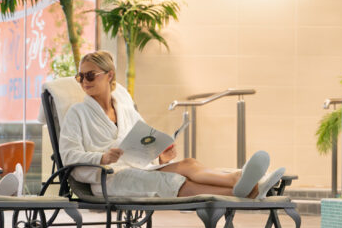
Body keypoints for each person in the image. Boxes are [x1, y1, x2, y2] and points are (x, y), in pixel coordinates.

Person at [58, 51, 282, 199]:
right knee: (172, 180)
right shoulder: (77, 114)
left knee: (189, 164)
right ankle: (251, 190)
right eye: (81, 77)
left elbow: (143, 143)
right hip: (109, 179)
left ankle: (238, 178)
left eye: (90, 75)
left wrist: (159, 156)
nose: (84, 82)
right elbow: (68, 155)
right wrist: (101, 158)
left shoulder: (126, 111)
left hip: (137, 167)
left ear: (109, 75)